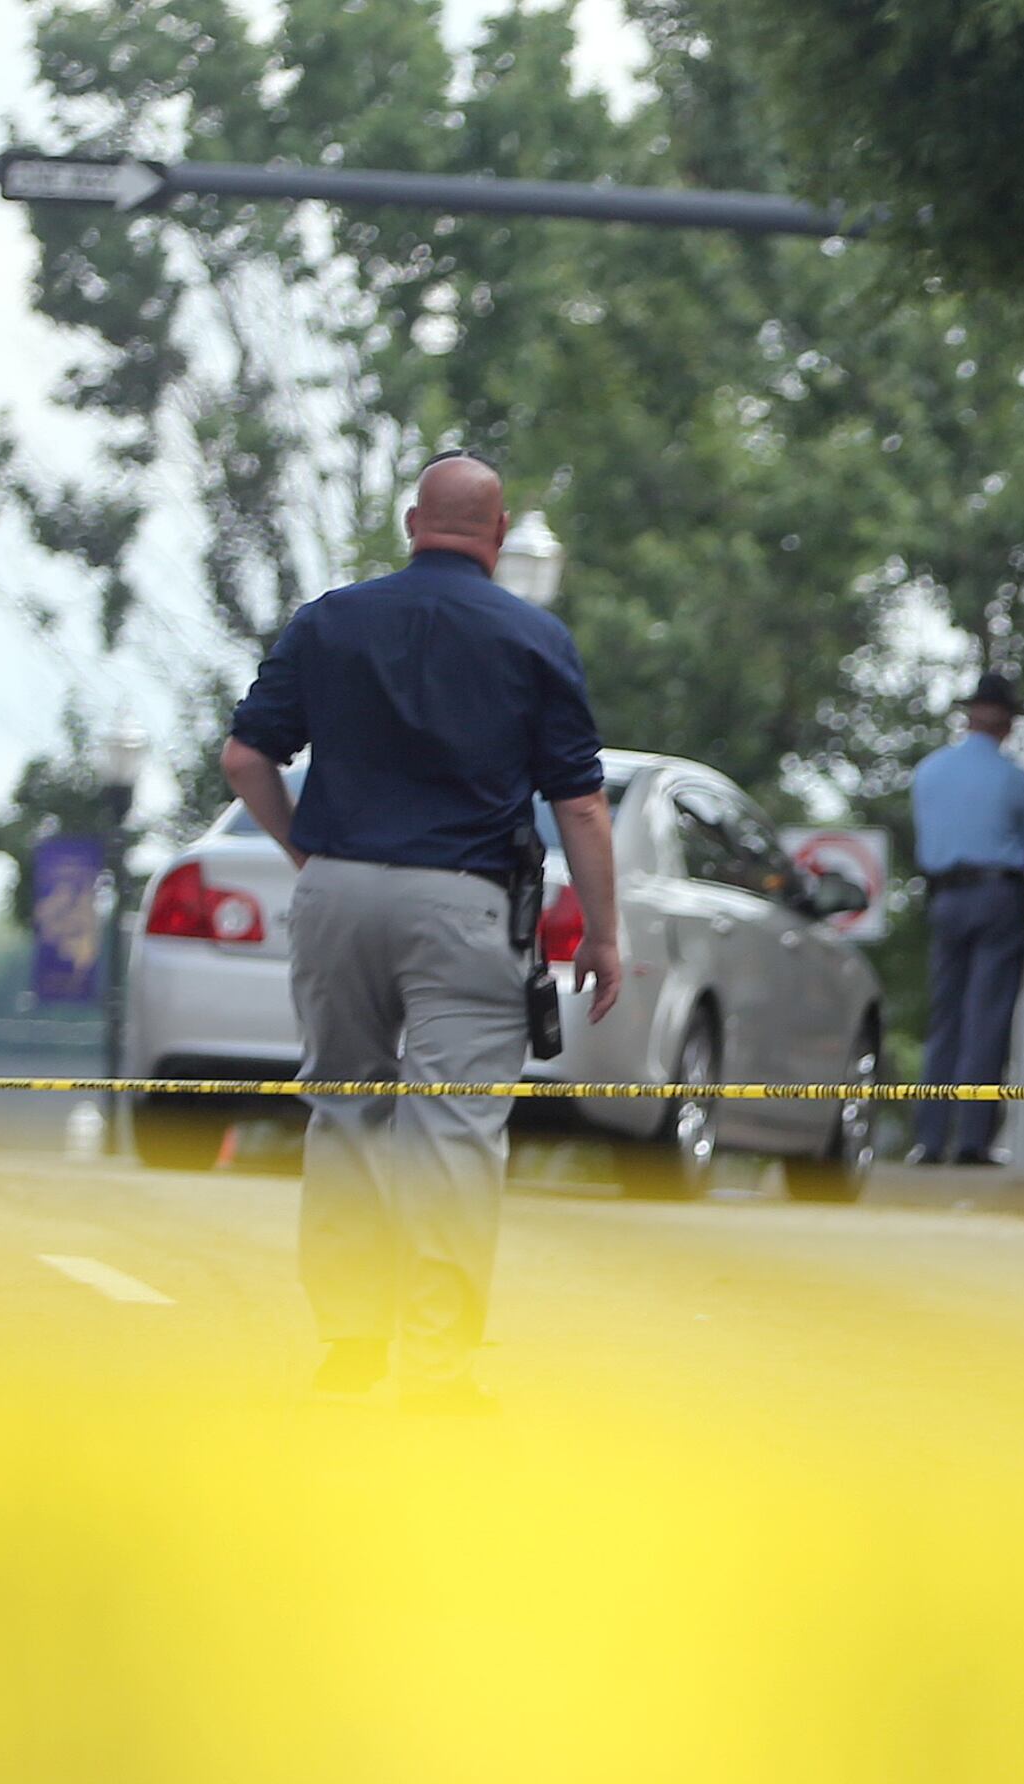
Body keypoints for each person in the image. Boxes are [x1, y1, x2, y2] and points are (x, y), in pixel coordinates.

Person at [218, 452, 621, 1412]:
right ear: (499, 529)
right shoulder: (534, 639)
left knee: (347, 1108)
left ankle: (350, 1339)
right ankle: (435, 1369)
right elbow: (583, 806)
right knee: (452, 1130)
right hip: (465, 904)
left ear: (412, 521)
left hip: (337, 896)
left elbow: (245, 758)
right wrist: (602, 934)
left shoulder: (329, 621)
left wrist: (308, 859)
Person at [906, 669, 1024, 1167]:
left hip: (944, 897)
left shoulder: (928, 771)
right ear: (1008, 724)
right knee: (986, 1019)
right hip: (996, 896)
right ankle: (972, 1138)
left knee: (944, 1019)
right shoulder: (1014, 778)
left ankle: (928, 1137)